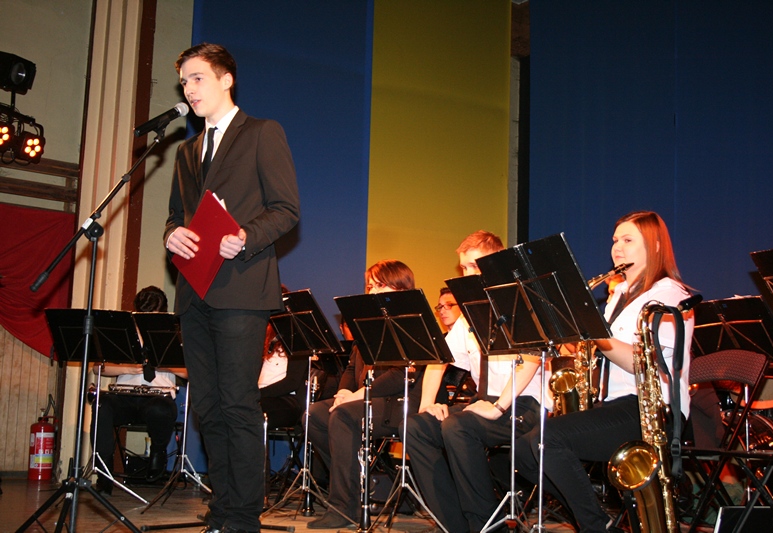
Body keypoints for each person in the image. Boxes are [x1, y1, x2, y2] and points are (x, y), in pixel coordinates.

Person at [164, 42, 300, 533]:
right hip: (194, 290)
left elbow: (286, 209)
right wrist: (171, 235)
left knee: (238, 403)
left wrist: (246, 236)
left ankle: (243, 517)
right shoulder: (186, 150)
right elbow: (176, 216)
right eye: (184, 81)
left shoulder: (262, 133)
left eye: (197, 78)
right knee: (207, 406)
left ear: (227, 80)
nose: (189, 89)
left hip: (241, 288)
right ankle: (223, 508)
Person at [515, 210, 694, 533]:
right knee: (524, 452)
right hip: (615, 405)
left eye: (628, 240)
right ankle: (598, 520)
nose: (617, 248)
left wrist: (594, 331)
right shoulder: (619, 294)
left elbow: (642, 364)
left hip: (652, 411)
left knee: (547, 440)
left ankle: (595, 526)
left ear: (654, 246)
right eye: (615, 240)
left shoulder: (671, 296)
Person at [405, 230, 548, 533]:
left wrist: (498, 407)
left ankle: (485, 526)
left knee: (459, 427)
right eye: (464, 267)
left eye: (475, 266)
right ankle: (454, 524)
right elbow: (438, 360)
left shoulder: (519, 301)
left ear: (496, 262)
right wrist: (427, 404)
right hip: (485, 404)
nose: (468, 274)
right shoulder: (469, 314)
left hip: (523, 404)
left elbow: (532, 359)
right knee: (416, 427)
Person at [305, 260, 438, 529]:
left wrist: (357, 394)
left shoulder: (411, 322)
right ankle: (354, 484)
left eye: (379, 285)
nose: (372, 291)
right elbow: (351, 367)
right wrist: (344, 391)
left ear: (400, 288)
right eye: (370, 286)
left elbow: (401, 375)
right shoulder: (368, 323)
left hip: (399, 402)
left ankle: (344, 506)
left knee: (343, 415)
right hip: (365, 398)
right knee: (314, 415)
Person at [92, 286, 184, 494]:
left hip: (157, 397)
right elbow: (98, 368)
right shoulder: (124, 334)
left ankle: (158, 454)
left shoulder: (172, 334)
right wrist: (128, 368)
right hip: (124, 396)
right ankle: (104, 470)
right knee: (101, 404)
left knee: (159, 409)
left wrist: (164, 362)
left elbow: (189, 373)